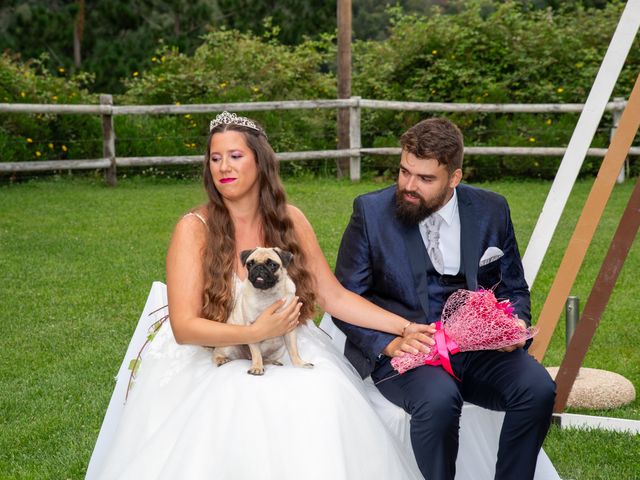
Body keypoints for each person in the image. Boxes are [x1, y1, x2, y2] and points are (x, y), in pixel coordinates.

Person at [89, 112, 430, 479]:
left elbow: (334, 297)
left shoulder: (290, 220)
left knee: (324, 393)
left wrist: (405, 326)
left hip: (286, 343)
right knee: (237, 406)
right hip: (215, 351)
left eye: (235, 156)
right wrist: (251, 334)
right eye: (215, 158)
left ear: (260, 161)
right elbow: (185, 327)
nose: (224, 167)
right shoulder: (194, 229)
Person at [332, 117, 556, 480]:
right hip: (407, 351)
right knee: (438, 402)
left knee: (537, 389)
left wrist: (512, 324)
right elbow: (345, 298)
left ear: (454, 177)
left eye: (425, 178)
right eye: (404, 172)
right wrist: (387, 345)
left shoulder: (491, 209)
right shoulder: (370, 213)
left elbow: (513, 287)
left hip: (478, 349)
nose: (408, 185)